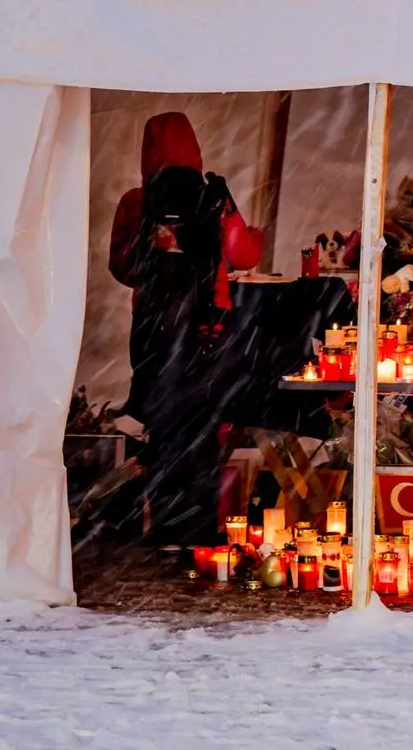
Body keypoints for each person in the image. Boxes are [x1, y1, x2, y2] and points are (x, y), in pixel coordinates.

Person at [110, 113, 264, 544]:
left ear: (147, 151)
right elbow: (244, 255)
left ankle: (164, 525)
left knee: (161, 426)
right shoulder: (213, 195)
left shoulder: (135, 202)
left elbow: (122, 267)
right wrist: (253, 234)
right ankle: (197, 527)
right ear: (194, 148)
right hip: (208, 329)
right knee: (203, 426)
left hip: (154, 333)